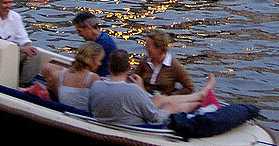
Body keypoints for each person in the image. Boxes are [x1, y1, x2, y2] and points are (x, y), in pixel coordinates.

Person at [88, 50, 216, 126]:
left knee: (158, 98)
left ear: (109, 67)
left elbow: (91, 108)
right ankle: (200, 102)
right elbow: (153, 117)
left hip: (111, 119)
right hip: (138, 125)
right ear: (128, 68)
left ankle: (200, 96)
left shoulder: (97, 85)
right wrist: (141, 88)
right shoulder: (133, 90)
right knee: (169, 105)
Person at [44, 41, 103, 110]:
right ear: (91, 60)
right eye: (99, 60)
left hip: (64, 111)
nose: (100, 64)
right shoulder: (94, 78)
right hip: (83, 116)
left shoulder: (59, 76)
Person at [134, 29, 194, 96]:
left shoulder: (174, 66)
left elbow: (189, 88)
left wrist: (170, 96)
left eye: (149, 47)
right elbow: (133, 78)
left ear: (159, 48)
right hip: (144, 96)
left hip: (163, 101)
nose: (146, 49)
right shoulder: (144, 62)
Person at [72, 10, 119, 76]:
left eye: (79, 31)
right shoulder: (104, 38)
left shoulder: (101, 44)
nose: (79, 34)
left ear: (88, 27)